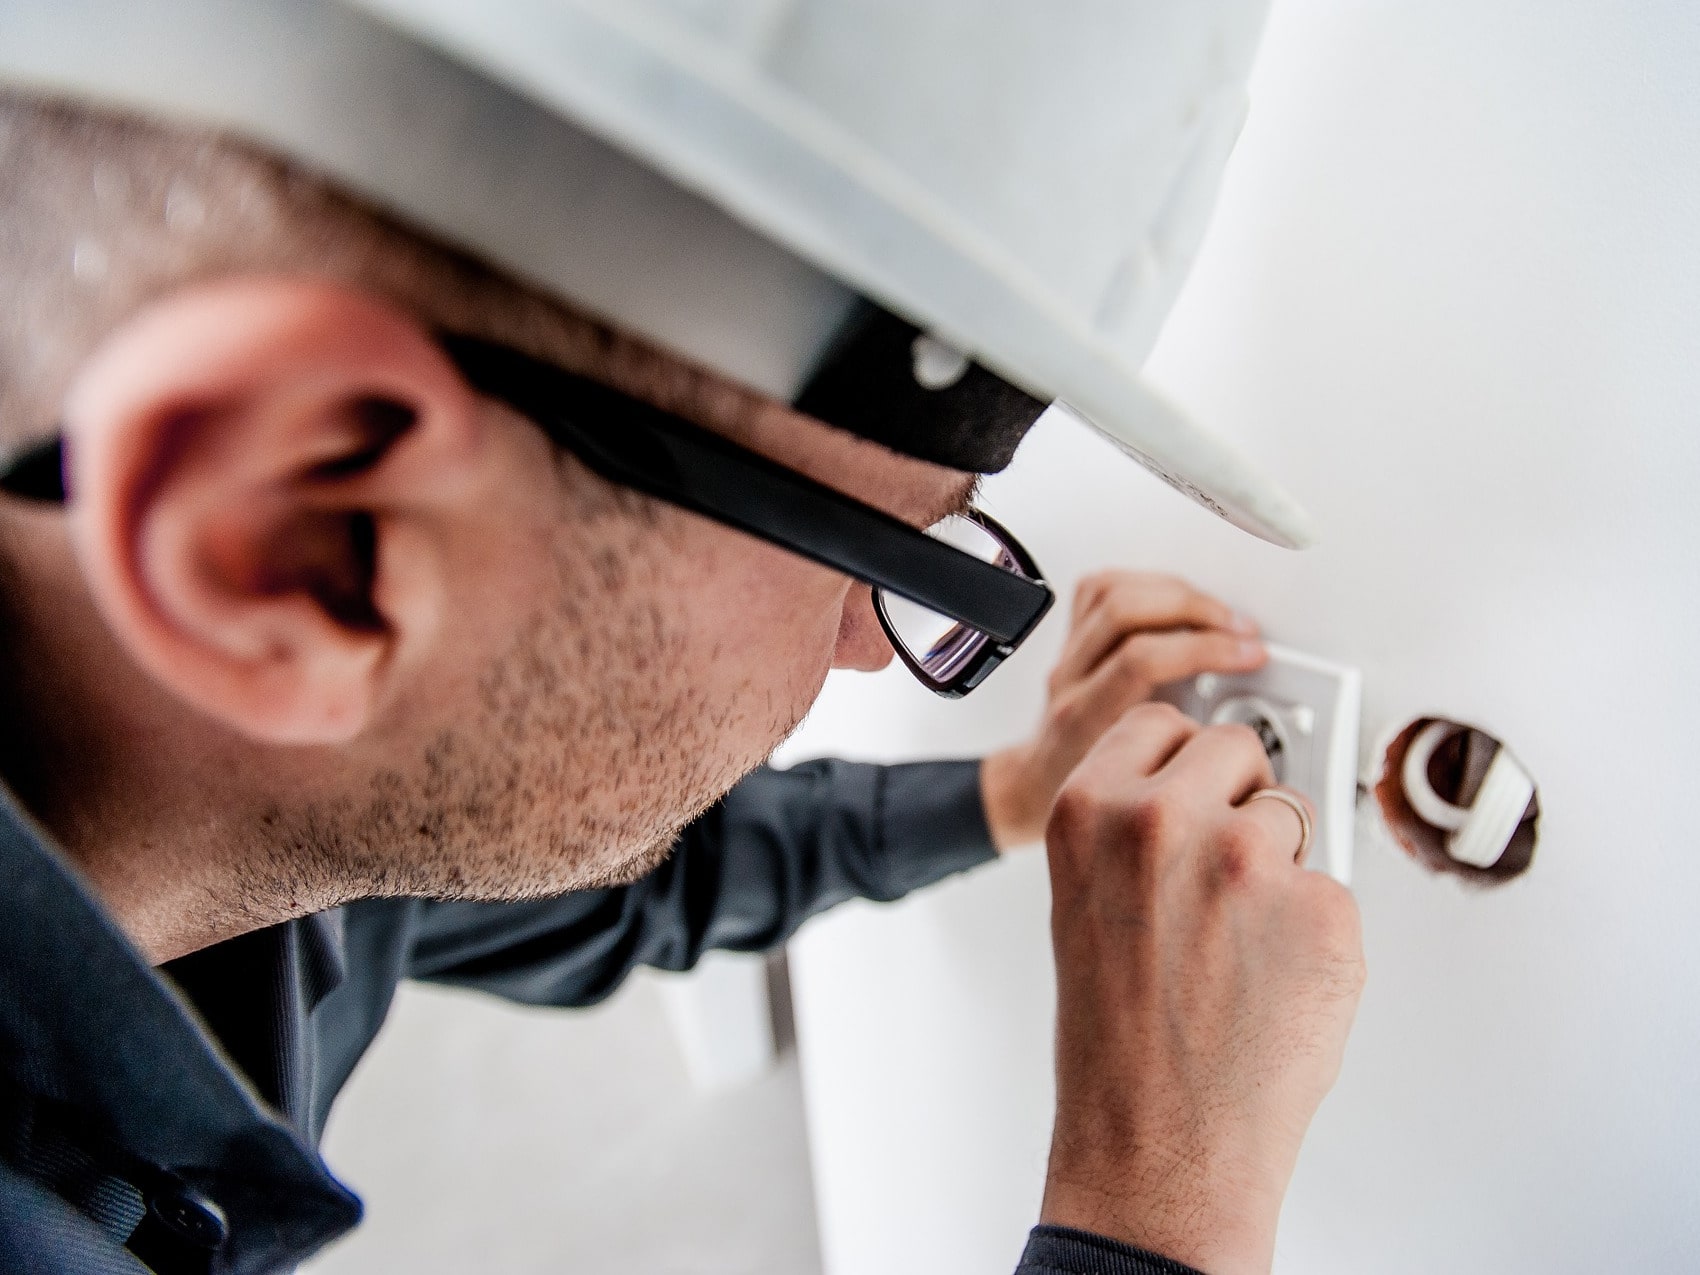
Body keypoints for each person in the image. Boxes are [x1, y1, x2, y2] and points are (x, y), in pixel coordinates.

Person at [0, 4, 1366, 1274]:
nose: (869, 650)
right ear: (302, 539)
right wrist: (1151, 1214)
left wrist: (1011, 795)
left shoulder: (282, 807)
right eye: (879, 556)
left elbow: (639, 881)